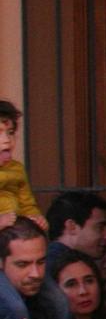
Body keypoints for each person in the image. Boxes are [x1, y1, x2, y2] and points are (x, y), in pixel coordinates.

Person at [46, 190, 106, 319]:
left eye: (89, 281)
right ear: (71, 227)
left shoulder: (64, 261)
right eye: (100, 227)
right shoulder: (50, 268)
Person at [0, 100, 44, 234]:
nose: (7, 139)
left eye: (11, 132)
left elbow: (27, 204)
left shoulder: (16, 169)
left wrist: (35, 219)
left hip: (11, 236)